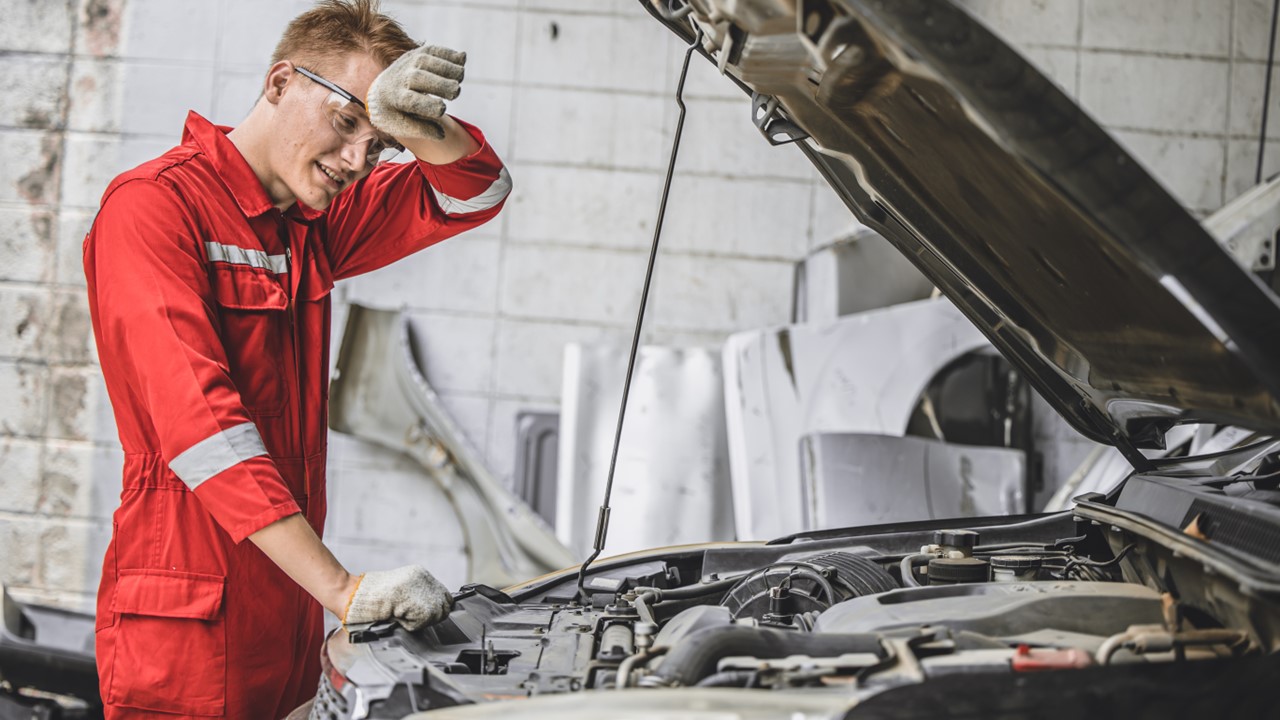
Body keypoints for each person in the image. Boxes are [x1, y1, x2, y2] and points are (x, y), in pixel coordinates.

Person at [82, 1, 511, 716]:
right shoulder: (153, 207)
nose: (357, 161)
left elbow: (477, 192)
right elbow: (202, 431)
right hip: (189, 619)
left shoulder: (310, 225)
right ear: (280, 82)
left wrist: (417, 125)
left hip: (288, 609)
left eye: (379, 143)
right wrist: (344, 590)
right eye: (346, 122)